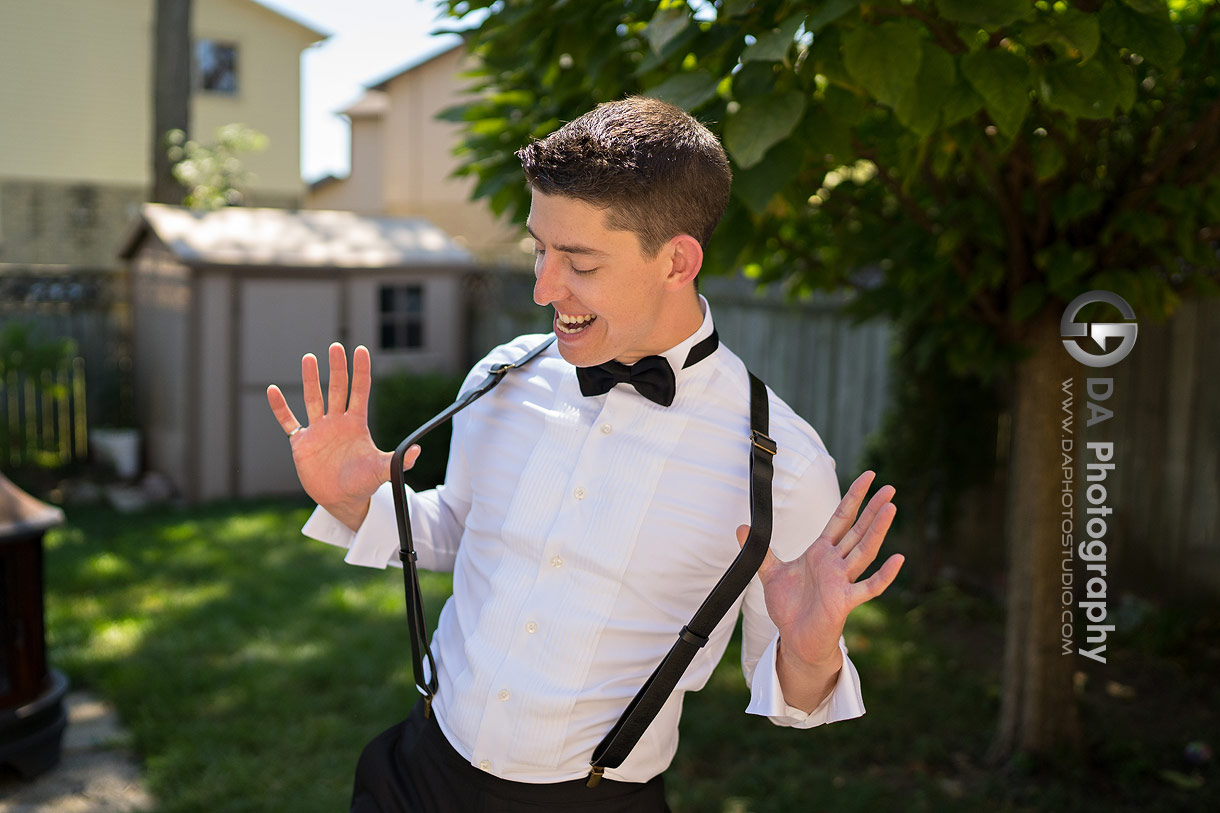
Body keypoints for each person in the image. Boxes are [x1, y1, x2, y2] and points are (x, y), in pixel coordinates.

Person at [266, 96, 904, 812]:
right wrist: (353, 496)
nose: (543, 287)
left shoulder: (781, 466)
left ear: (677, 260)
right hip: (414, 772)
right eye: (539, 249)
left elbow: (790, 692)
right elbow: (459, 532)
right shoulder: (502, 377)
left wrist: (811, 652)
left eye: (579, 262)